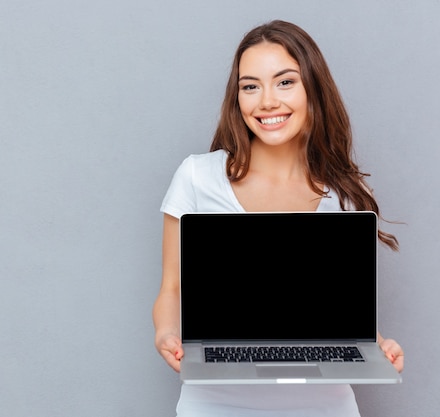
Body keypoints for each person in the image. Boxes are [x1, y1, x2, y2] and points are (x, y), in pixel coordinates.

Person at [153, 20, 404, 416]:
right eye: (250, 86)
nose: (266, 101)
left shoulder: (347, 193)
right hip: (215, 403)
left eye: (285, 82)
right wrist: (166, 332)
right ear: (237, 98)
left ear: (312, 89)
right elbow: (170, 288)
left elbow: (342, 310)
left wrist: (375, 344)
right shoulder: (197, 177)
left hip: (324, 406)